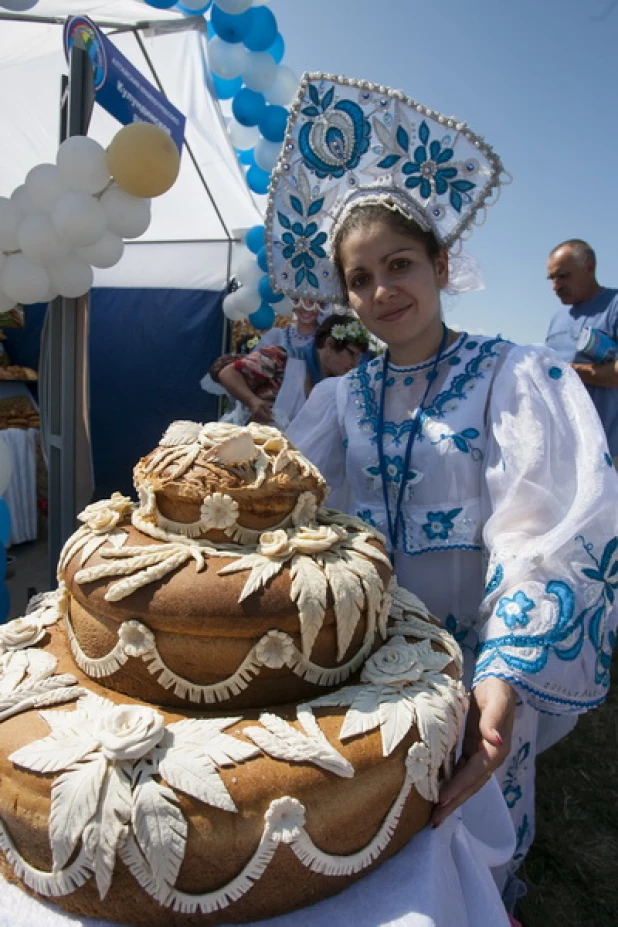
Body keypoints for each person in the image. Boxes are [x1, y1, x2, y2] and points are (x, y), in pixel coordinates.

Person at [266, 72, 618, 918]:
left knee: (476, 811)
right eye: (360, 278)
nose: (383, 291)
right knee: (382, 837)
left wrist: (504, 670)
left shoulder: (513, 376)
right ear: (344, 295)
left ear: (442, 265)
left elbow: (543, 528)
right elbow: (284, 500)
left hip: (485, 653)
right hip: (373, 662)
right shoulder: (338, 398)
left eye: (400, 265)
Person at [217, 314, 368, 427]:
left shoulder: (334, 385)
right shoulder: (281, 357)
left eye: (358, 358)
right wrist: (253, 402)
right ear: (329, 343)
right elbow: (228, 373)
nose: (354, 364)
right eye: (352, 354)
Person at [546, 239, 618, 459]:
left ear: (589, 267)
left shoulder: (613, 306)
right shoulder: (557, 319)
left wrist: (569, 372)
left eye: (563, 276)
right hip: (569, 455)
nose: (555, 286)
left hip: (610, 454)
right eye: (552, 278)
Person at [253, 297, 325, 351]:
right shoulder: (275, 336)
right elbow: (251, 366)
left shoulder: (327, 341)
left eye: (312, 302)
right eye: (299, 301)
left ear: (321, 306)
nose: (306, 307)